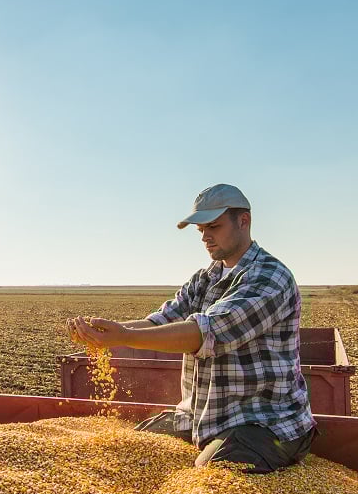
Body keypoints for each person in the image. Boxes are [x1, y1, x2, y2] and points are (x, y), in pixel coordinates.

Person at [67, 184, 316, 474]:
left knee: (215, 473)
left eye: (214, 226)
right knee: (135, 445)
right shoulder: (204, 279)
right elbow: (159, 322)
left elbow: (204, 333)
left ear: (243, 221)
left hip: (265, 423)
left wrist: (125, 336)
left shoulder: (270, 277)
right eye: (201, 230)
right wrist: (108, 333)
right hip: (203, 417)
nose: (205, 236)